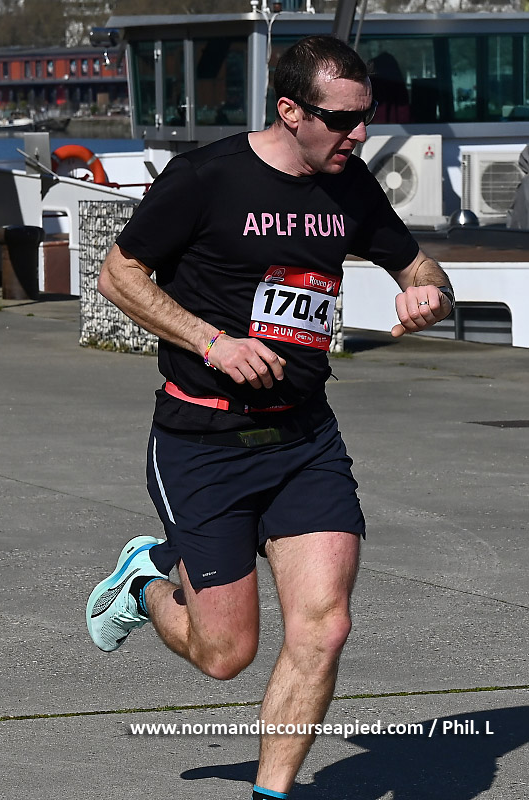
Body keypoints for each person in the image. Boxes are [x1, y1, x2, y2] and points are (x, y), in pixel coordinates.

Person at [86, 35, 455, 800]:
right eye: (342, 119)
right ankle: (146, 580)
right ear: (290, 110)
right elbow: (119, 275)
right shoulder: (206, 178)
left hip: (304, 440)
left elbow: (418, 264)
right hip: (204, 441)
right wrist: (212, 342)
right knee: (226, 654)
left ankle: (273, 794)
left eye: (368, 117)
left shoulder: (349, 184)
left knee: (325, 627)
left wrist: (429, 293)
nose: (360, 134)